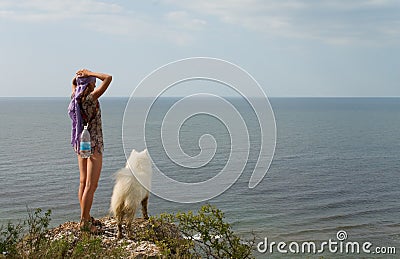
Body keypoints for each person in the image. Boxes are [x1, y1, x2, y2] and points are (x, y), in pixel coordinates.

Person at [68, 69, 112, 233]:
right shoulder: (90, 98)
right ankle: (85, 222)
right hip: (94, 144)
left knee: (83, 182)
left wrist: (79, 77)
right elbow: (108, 78)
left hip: (82, 143)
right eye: (93, 81)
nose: (95, 83)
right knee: (91, 185)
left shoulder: (75, 98)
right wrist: (88, 72)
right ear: (90, 84)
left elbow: (73, 83)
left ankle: (85, 217)